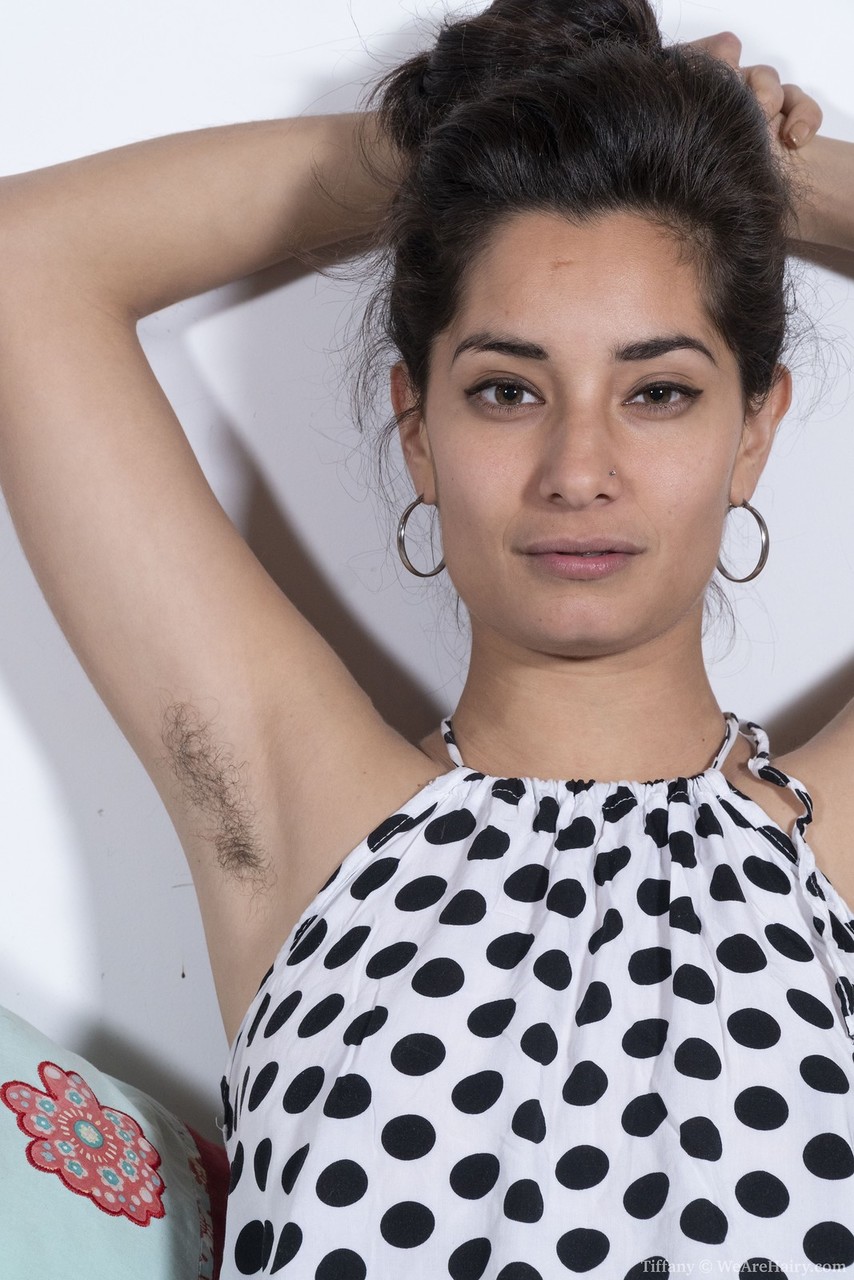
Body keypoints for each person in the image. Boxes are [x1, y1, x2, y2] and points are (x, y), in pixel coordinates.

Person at [1, 0, 853, 1273]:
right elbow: (23, 265)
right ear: (416, 428)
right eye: (506, 389)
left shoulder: (831, 864)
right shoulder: (302, 821)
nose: (577, 468)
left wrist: (755, 164)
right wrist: (462, 137)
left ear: (751, 432)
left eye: (658, 391)